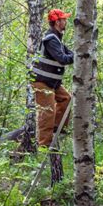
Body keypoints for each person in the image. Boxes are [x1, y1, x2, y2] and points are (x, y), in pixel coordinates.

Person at [31, 9, 74, 147]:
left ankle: (56, 130)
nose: (66, 21)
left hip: (52, 83)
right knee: (47, 112)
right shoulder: (50, 39)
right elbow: (63, 59)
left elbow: (70, 53)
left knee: (66, 99)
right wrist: (78, 57)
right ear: (57, 22)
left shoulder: (57, 39)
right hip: (42, 82)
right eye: (63, 19)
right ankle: (44, 145)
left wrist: (78, 53)